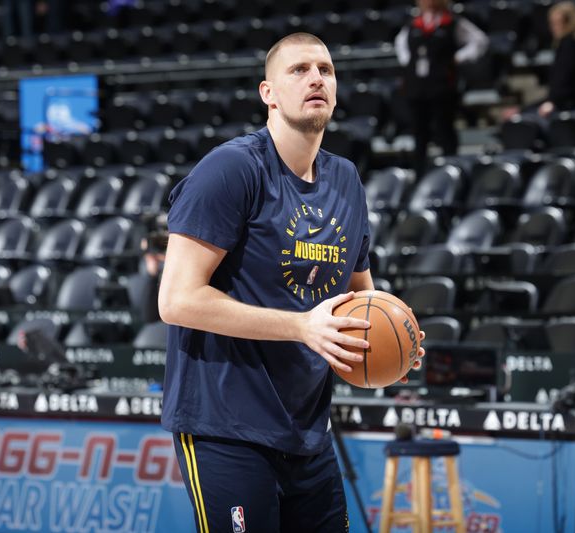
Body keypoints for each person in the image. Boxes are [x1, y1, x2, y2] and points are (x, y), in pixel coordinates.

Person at [158, 33, 425, 533]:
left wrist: (395, 338)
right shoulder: (231, 169)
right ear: (269, 93)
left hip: (308, 430)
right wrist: (302, 327)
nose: (316, 78)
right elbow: (176, 300)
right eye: (299, 70)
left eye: (325, 69)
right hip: (225, 427)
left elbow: (361, 298)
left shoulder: (345, 179)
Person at [394, 0, 488, 176]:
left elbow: (479, 41)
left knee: (445, 130)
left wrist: (458, 58)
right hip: (417, 87)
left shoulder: (452, 22)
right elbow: (400, 44)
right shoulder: (413, 23)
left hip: (442, 86)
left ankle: (451, 170)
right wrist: (409, 62)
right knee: (419, 134)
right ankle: (420, 173)